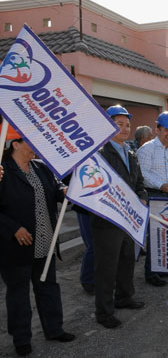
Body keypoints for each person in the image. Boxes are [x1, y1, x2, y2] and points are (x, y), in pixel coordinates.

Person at [0, 124, 75, 356]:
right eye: (32, 141)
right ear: (16, 144)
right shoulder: (2, 171)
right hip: (16, 245)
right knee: (18, 294)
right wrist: (13, 229)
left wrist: (63, 193)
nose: (38, 146)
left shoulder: (41, 168)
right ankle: (21, 339)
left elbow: (54, 190)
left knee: (48, 287)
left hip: (45, 240)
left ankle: (54, 329)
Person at [91, 105, 148, 329]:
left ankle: (124, 297)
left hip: (129, 220)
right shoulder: (99, 154)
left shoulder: (131, 154)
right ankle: (104, 312)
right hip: (107, 222)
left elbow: (139, 183)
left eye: (128, 125)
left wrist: (142, 196)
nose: (125, 129)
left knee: (126, 260)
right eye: (119, 124)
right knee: (106, 267)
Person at [137, 111, 168, 287]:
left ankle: (163, 267)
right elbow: (143, 175)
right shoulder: (146, 149)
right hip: (152, 195)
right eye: (166, 130)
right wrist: (160, 185)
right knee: (155, 235)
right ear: (157, 129)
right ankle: (151, 273)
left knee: (167, 233)